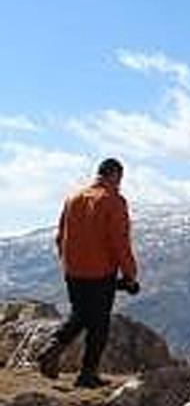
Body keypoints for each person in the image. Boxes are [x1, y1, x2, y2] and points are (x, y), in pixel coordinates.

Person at [36, 157, 139, 388]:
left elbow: (59, 236)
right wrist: (130, 274)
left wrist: (68, 262)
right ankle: (86, 374)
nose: (120, 184)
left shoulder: (73, 198)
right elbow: (119, 242)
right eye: (119, 179)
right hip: (100, 272)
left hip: (73, 270)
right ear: (115, 175)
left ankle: (52, 350)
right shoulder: (113, 201)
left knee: (80, 314)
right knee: (98, 324)